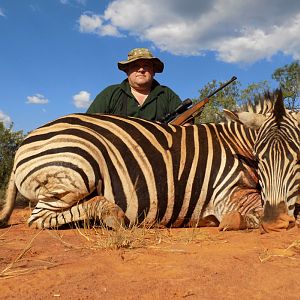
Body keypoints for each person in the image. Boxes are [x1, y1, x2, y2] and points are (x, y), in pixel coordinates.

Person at [86, 48, 182, 121]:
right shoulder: (110, 93)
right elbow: (88, 123)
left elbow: (185, 124)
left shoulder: (167, 94)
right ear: (127, 71)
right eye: (135, 66)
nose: (141, 70)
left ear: (153, 71)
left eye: (146, 66)